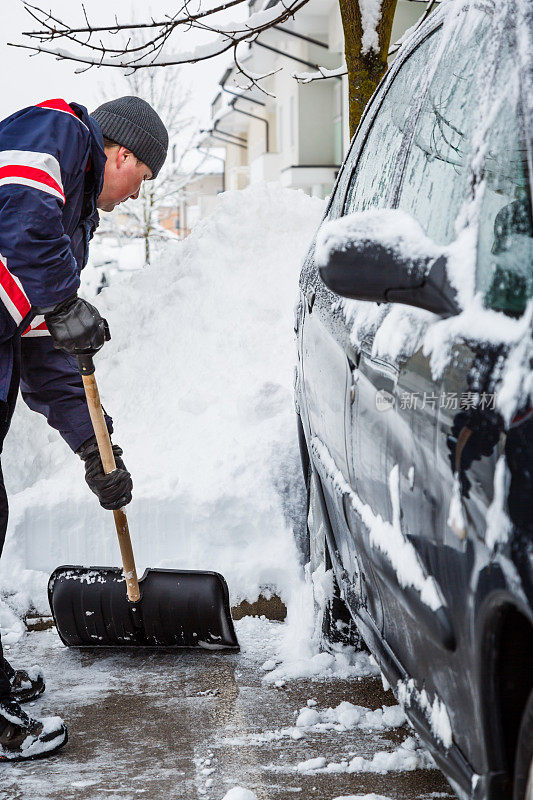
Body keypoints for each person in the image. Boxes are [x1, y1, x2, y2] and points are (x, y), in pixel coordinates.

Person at [0, 96, 168, 760]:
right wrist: (65, 299)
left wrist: (95, 446)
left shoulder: (72, 229)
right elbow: (20, 206)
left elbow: (47, 359)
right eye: (143, 178)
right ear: (119, 154)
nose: (135, 197)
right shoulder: (61, 133)